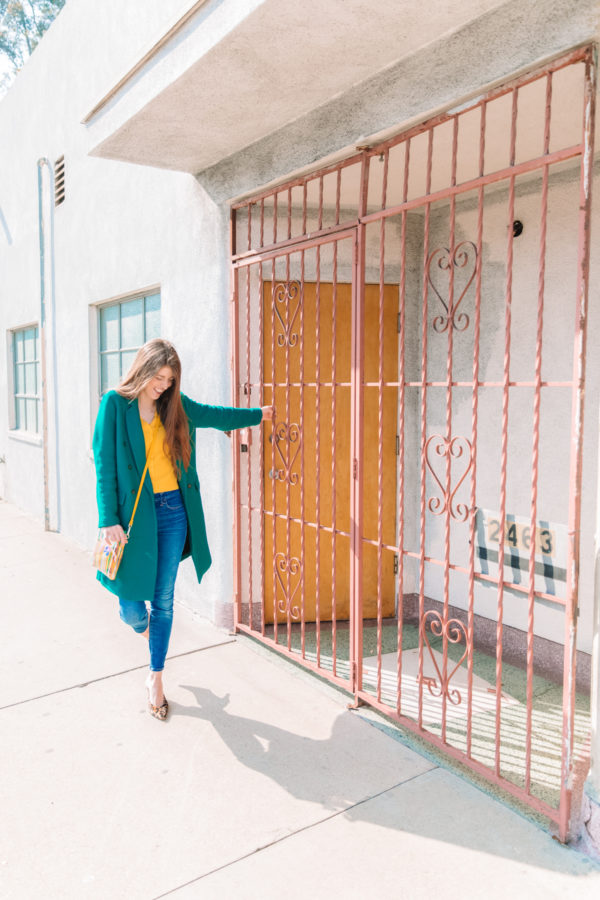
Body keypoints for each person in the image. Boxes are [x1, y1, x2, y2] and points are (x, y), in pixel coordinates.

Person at [93, 338, 273, 720]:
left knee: (164, 600)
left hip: (174, 510)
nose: (163, 385)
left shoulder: (173, 405)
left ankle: (155, 677)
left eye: (170, 380)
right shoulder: (115, 404)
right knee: (130, 607)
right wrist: (108, 518)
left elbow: (214, 414)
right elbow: (104, 464)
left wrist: (259, 415)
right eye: (158, 377)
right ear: (142, 369)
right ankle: (146, 632)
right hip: (133, 518)